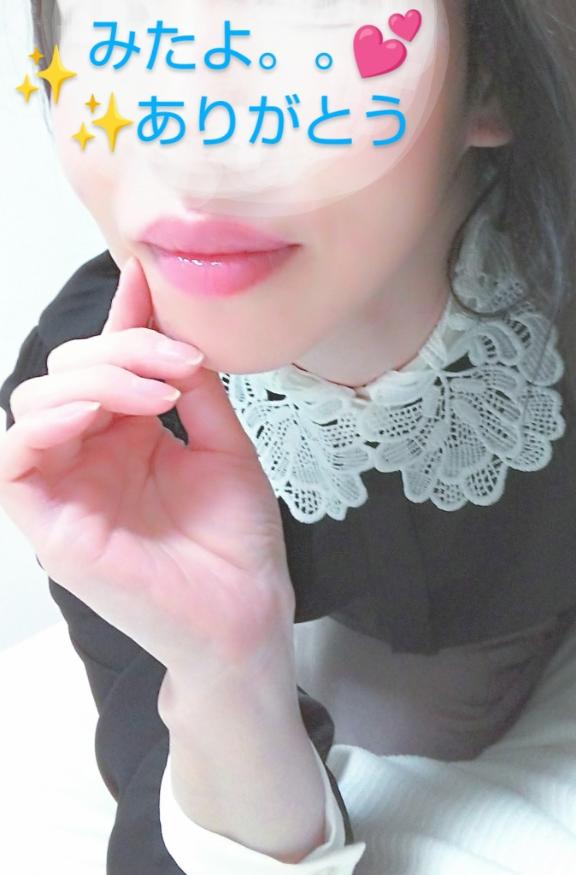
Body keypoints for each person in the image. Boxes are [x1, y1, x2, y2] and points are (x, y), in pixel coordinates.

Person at [1, 0, 576, 872]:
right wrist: (226, 671)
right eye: (129, 32)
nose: (192, 149)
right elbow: (161, 801)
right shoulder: (93, 413)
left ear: (490, 80)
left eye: (310, 26)